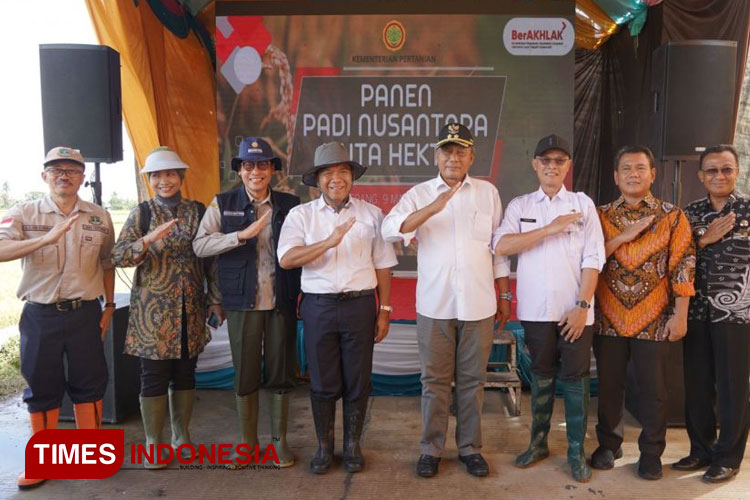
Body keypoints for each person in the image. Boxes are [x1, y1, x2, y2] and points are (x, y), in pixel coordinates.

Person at [381, 123, 510, 478]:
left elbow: (498, 249)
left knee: (472, 382)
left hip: (480, 304)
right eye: (447, 151)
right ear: (436, 155)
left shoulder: (487, 193)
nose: (454, 158)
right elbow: (390, 229)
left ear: (472, 156)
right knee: (434, 382)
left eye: (461, 151)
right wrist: (434, 207)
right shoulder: (419, 193)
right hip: (435, 305)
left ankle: (470, 449)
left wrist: (504, 294)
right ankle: (431, 449)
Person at [277, 141, 396, 474]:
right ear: (317, 179)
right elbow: (286, 259)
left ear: (352, 177)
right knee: (323, 380)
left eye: (343, 171)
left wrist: (384, 309)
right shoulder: (300, 216)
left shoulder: (371, 215)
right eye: (328, 172)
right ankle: (324, 448)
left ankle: (352, 447)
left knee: (358, 380)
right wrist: (328, 242)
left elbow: (384, 265)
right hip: (318, 307)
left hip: (360, 306)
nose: (336, 178)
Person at [0, 147, 115, 490]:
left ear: (82, 177)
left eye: (71, 169)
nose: (64, 174)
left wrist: (109, 306)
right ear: (44, 176)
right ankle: (42, 462)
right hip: (40, 315)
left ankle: (90, 456)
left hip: (85, 314)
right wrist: (45, 240)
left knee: (90, 382)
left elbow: (107, 262)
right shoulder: (23, 212)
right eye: (56, 169)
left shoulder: (99, 216)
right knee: (42, 386)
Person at [493, 134, 605, 482]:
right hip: (536, 312)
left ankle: (575, 451)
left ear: (568, 166)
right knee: (541, 376)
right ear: (535, 165)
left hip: (575, 312)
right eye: (546, 160)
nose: (552, 166)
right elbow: (501, 245)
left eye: (559, 161)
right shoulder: (521, 206)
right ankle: (538, 443)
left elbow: (594, 257)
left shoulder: (583, 205)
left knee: (575, 379)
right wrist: (549, 229)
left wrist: (582, 306)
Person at [193, 137, 301, 467]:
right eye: (249, 165)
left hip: (280, 300)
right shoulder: (222, 203)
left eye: (263, 164)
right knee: (245, 373)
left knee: (281, 372)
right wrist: (240, 236)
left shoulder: (289, 204)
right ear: (239, 170)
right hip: (241, 302)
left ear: (273, 170)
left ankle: (279, 444)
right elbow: (200, 246)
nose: (256, 171)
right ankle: (247, 444)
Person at [112, 146, 221, 468]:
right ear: (149, 180)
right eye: (157, 175)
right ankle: (153, 442)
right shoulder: (141, 214)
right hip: (152, 313)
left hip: (190, 309)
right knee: (154, 376)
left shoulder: (197, 211)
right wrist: (146, 240)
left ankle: (181, 436)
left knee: (186, 373)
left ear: (180, 177)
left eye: (170, 174)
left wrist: (215, 299)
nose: (164, 181)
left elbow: (210, 260)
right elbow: (118, 257)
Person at [592, 145, 695, 480]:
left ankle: (651, 452)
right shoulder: (600, 214)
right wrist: (624, 238)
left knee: (654, 390)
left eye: (640, 168)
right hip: (607, 316)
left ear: (653, 173)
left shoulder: (672, 215)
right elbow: (588, 261)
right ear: (615, 176)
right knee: (608, 386)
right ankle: (609, 445)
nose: (633, 174)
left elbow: (683, 266)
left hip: (655, 318)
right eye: (626, 168)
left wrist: (680, 314)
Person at [676, 144, 750, 483]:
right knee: (697, 383)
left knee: (733, 386)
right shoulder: (688, 213)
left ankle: (728, 457)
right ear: (700, 175)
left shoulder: (749, 208)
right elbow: (675, 259)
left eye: (726, 169)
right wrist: (703, 240)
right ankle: (701, 449)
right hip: (695, 312)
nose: (719, 176)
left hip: (738, 316)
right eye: (712, 170)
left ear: (736, 172)